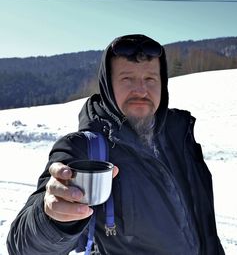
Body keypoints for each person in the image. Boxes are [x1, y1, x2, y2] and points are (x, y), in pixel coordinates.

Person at [7, 34, 225, 255]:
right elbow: (22, 247)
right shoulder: (83, 150)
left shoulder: (181, 137)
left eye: (150, 79)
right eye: (127, 79)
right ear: (108, 86)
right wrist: (51, 220)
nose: (141, 90)